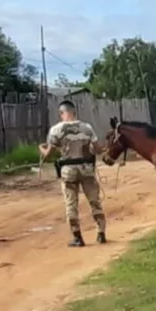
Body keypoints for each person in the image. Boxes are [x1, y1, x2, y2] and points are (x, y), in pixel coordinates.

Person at [39, 101, 107, 247]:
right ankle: (101, 233)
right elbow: (97, 148)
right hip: (86, 168)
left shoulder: (56, 130)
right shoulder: (87, 127)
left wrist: (41, 149)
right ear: (74, 112)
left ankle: (78, 237)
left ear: (61, 113)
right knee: (94, 200)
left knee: (71, 204)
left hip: (68, 170)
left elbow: (48, 155)